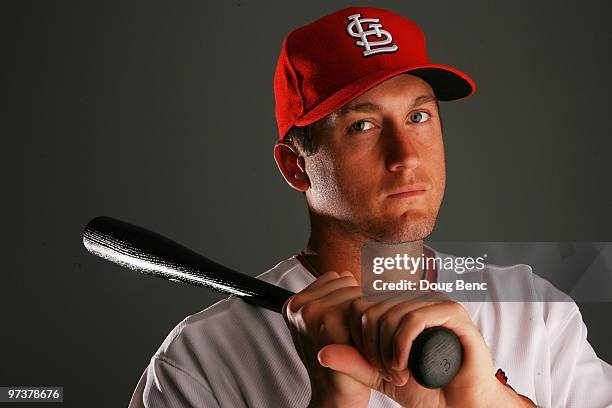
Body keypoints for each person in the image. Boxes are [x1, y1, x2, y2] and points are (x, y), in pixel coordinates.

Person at [129, 7, 612, 407]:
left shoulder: (532, 309)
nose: (406, 156)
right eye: (362, 126)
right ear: (297, 167)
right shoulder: (201, 359)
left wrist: (484, 399)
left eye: (418, 116)